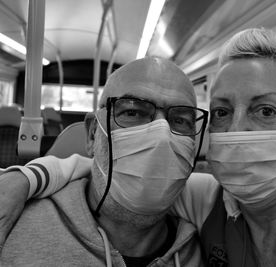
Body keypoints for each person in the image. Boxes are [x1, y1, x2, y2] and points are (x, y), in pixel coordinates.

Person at [2, 28, 276, 266]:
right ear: (94, 133)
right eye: (223, 112)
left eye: (265, 110)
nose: (238, 131)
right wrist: (26, 176)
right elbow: (106, 172)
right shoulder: (208, 201)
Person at [0, 56, 210, 266]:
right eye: (132, 112)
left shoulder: (209, 242)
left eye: (181, 120)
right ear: (93, 134)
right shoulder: (11, 222)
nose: (162, 137)